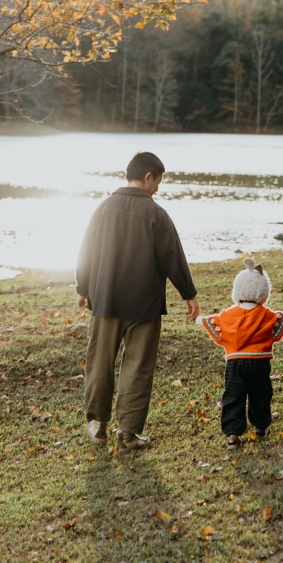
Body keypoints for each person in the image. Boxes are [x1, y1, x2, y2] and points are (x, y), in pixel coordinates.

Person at [75, 151, 199, 450]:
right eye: (158, 182)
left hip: (105, 300)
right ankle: (128, 434)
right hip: (144, 305)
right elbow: (173, 258)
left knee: (100, 361)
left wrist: (83, 287)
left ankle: (98, 426)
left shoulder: (103, 208)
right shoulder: (157, 214)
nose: (157, 188)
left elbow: (86, 250)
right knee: (138, 366)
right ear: (147, 176)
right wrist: (189, 294)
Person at [196, 257, 283, 448]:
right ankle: (260, 426)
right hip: (259, 363)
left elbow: (208, 321)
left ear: (237, 292)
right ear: (263, 294)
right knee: (261, 394)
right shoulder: (267, 315)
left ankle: (232, 434)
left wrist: (195, 318)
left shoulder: (227, 315)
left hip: (234, 363)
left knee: (233, 396)